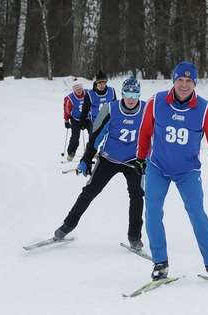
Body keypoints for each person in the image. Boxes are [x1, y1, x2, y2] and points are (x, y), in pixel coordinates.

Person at [135, 61, 208, 282]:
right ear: (174, 80)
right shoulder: (157, 101)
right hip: (158, 167)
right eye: (180, 79)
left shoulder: (204, 109)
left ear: (195, 83)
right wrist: (141, 158)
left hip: (187, 170)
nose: (184, 85)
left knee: (197, 213)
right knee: (152, 210)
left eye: (189, 81)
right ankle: (160, 263)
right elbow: (145, 132)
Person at [54, 76, 146, 250]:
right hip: (109, 158)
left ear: (139, 94)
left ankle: (134, 236)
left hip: (134, 161)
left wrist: (149, 159)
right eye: (127, 93)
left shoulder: (147, 110)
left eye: (135, 94)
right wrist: (86, 159)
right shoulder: (110, 109)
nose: (131, 98)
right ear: (122, 93)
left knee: (137, 196)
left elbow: (154, 136)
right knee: (89, 191)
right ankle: (68, 225)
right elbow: (96, 136)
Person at [63, 77, 86, 161]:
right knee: (75, 136)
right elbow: (67, 110)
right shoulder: (70, 98)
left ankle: (91, 150)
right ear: (74, 90)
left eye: (80, 88)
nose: (79, 91)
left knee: (93, 132)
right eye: (77, 89)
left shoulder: (87, 93)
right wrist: (66, 120)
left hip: (87, 118)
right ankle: (71, 153)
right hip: (76, 119)